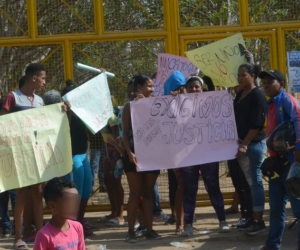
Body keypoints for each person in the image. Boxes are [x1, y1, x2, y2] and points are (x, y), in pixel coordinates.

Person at [0, 63, 46, 249]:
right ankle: (18, 237)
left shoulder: (41, 101)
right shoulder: (13, 98)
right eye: (43, 78)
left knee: (38, 193)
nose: (44, 82)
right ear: (33, 78)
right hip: (19, 154)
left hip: (37, 153)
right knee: (20, 194)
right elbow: (3, 123)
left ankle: (41, 235)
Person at [254, 70, 300, 250]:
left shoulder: (287, 99)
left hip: (291, 163)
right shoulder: (270, 104)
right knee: (276, 208)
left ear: (281, 84)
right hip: (276, 164)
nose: (265, 85)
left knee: (297, 209)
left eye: (270, 81)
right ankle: (272, 245)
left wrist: (299, 147)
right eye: (264, 82)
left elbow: (299, 119)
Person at [180, 75, 230, 236]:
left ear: (202, 89)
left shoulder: (212, 104)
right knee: (189, 190)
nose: (194, 90)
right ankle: (188, 225)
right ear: (185, 90)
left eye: (197, 87)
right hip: (187, 156)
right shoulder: (176, 105)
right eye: (191, 87)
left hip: (208, 153)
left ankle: (223, 221)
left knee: (213, 186)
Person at [122, 75, 161, 242]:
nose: (152, 89)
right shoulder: (130, 107)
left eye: (153, 86)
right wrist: (129, 153)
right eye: (148, 86)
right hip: (134, 155)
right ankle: (131, 231)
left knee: (148, 194)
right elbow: (124, 133)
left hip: (152, 154)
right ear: (139, 87)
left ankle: (149, 230)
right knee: (135, 193)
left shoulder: (158, 104)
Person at [233, 63, 267, 235]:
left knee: (255, 183)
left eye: (243, 75)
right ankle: (250, 218)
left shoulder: (257, 96)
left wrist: (245, 143)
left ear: (252, 75)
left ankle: (259, 220)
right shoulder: (240, 94)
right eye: (238, 75)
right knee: (247, 184)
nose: (239, 78)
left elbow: (256, 124)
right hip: (241, 145)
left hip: (252, 146)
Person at [61, 85, 94, 238]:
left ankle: (79, 223)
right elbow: (64, 129)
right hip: (72, 156)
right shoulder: (62, 111)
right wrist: (67, 111)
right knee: (74, 193)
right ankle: (70, 226)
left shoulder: (82, 111)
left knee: (86, 190)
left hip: (83, 154)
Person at [33, 178, 85, 250]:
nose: (75, 205)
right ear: (53, 206)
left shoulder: (77, 227)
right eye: (69, 201)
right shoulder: (43, 235)